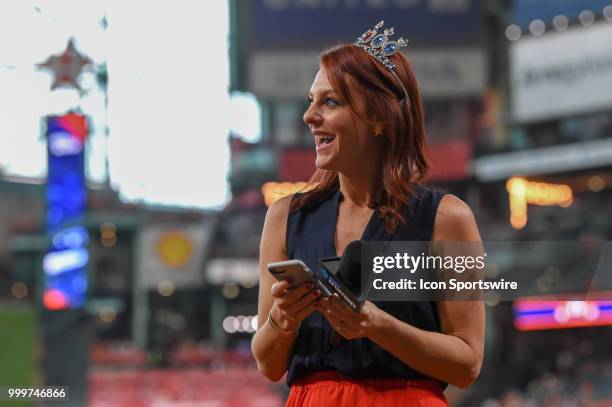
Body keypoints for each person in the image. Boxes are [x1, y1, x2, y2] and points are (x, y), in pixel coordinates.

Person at [251, 21, 485, 406]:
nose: (309, 116)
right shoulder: (285, 216)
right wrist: (284, 318)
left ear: (379, 118)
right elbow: (268, 363)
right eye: (311, 100)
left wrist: (377, 326)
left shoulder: (446, 218)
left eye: (330, 102)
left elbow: (467, 363)